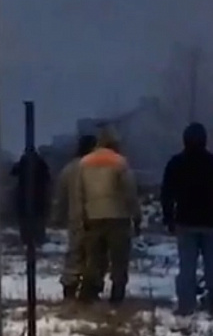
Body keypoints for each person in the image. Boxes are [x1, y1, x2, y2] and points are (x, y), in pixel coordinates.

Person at [161, 122, 213, 316]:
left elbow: (166, 193)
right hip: (212, 223)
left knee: (187, 268)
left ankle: (186, 306)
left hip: (185, 223)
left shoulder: (176, 163)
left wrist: (168, 218)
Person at [74, 127, 141, 304]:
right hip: (118, 217)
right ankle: (117, 296)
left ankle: (88, 295)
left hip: (93, 216)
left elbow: (79, 193)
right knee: (119, 260)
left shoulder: (84, 163)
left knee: (94, 258)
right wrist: (136, 215)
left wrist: (82, 216)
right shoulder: (120, 162)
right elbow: (130, 192)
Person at [51, 134, 108, 301]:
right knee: (97, 254)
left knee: (74, 253)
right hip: (98, 216)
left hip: (76, 218)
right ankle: (92, 289)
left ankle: (69, 287)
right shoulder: (100, 167)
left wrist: (57, 217)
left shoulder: (69, 169)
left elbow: (60, 196)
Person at [11, 150, 51, 246]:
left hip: (24, 195)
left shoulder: (23, 161)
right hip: (39, 195)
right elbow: (47, 178)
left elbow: (13, 172)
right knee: (39, 218)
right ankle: (38, 237)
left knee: (25, 219)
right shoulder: (41, 162)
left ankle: (26, 238)